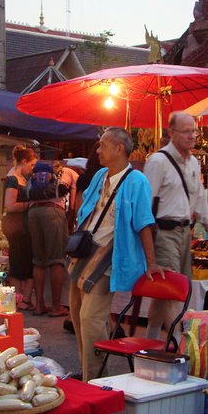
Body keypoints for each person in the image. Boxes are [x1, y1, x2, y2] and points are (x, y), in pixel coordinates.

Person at [69, 127, 164, 381]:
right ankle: (88, 368)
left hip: (110, 255)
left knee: (91, 318)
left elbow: (144, 222)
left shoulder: (137, 181)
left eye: (102, 145)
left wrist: (151, 261)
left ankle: (96, 377)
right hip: (85, 251)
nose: (98, 150)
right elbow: (87, 206)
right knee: (77, 313)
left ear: (119, 148)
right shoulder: (100, 175)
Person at [143, 112, 208, 340]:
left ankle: (149, 341)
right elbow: (146, 204)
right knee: (172, 290)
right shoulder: (158, 162)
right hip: (164, 232)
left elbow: (199, 199)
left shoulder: (193, 162)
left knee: (164, 292)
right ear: (171, 133)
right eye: (186, 131)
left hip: (185, 231)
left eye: (194, 131)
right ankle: (179, 346)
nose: (192, 136)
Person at [27, 158, 78, 317]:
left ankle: (39, 305)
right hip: (53, 212)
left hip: (33, 212)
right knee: (57, 260)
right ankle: (56, 306)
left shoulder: (36, 176)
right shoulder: (71, 173)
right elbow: (74, 203)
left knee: (38, 261)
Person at [3, 145, 37, 311]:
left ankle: (26, 298)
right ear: (24, 161)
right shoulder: (13, 179)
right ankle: (19, 297)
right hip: (16, 226)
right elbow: (10, 206)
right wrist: (29, 204)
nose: (32, 169)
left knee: (29, 261)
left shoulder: (24, 178)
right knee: (18, 261)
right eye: (31, 165)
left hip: (25, 226)